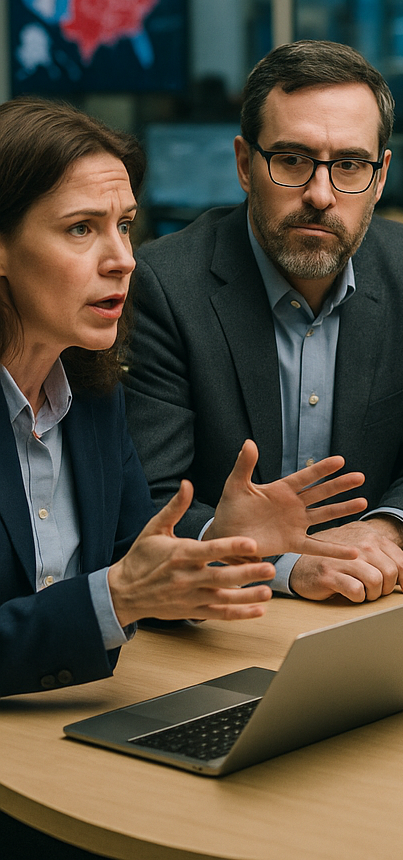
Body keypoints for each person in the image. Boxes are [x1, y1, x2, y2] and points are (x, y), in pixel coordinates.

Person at [0, 97, 369, 700]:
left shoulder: (93, 395)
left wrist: (218, 541)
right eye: (80, 229)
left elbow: (134, 560)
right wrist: (113, 598)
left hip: (81, 712)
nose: (122, 260)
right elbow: (120, 589)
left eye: (123, 226)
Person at [124, 41, 403, 604]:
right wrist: (282, 565)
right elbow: (145, 501)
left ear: (381, 176)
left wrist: (383, 535)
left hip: (373, 605)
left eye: (350, 166)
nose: (320, 194)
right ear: (245, 164)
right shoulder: (165, 284)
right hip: (224, 618)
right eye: (292, 160)